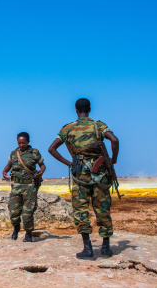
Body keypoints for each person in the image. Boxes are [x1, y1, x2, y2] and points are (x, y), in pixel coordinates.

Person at [48, 98, 119, 259]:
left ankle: (87, 249)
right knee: (102, 209)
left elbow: (51, 149)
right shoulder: (98, 126)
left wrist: (70, 163)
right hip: (100, 176)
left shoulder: (68, 128)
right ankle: (106, 248)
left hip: (80, 175)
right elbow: (114, 140)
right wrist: (113, 160)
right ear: (90, 109)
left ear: (75, 110)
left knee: (81, 211)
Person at [2, 132, 46, 242]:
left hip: (30, 186)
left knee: (28, 211)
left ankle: (28, 234)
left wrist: (41, 171)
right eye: (19, 143)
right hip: (16, 186)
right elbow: (9, 165)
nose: (21, 145)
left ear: (28, 142)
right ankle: (16, 228)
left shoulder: (34, 152)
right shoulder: (14, 153)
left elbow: (42, 165)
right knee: (14, 211)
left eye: (24, 143)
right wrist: (5, 171)